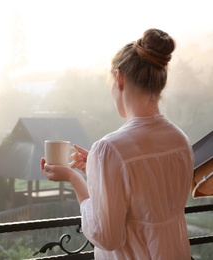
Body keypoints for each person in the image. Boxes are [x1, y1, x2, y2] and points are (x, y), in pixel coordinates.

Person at [41, 28, 194, 259]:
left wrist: (75, 178)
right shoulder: (180, 140)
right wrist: (96, 169)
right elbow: (148, 198)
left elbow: (106, 237)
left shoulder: (111, 149)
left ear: (120, 78)